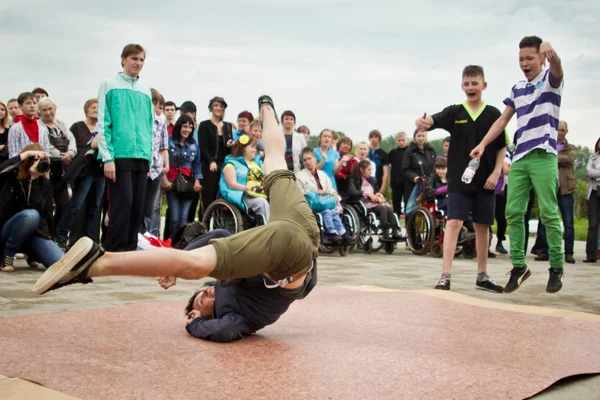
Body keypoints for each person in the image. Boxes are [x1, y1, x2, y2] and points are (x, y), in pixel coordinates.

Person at [32, 95, 321, 302]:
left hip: (303, 222)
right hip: (289, 251)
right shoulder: (281, 288)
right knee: (193, 263)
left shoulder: (307, 248)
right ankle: (97, 264)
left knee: (274, 159)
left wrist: (266, 109)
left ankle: (267, 105)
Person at [470, 36, 565, 293]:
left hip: (544, 154)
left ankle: (556, 266)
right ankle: (519, 266)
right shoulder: (516, 88)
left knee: (548, 211)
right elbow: (502, 121)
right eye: (521, 59)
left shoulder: (550, 81)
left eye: (529, 58)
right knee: (513, 212)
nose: (524, 63)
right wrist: (483, 143)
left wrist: (552, 52)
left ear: (540, 57)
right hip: (521, 155)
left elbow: (557, 68)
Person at [417, 65, 507, 292]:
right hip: (458, 179)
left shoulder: (494, 114)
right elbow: (431, 121)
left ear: (484, 85)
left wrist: (497, 173)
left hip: (485, 179)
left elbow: (501, 148)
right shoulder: (455, 112)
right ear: (461, 86)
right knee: (454, 222)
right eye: (466, 84)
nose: (470, 87)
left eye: (474, 83)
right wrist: (423, 122)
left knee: (482, 226)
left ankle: (482, 276)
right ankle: (445, 275)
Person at [154, 229, 317, 343]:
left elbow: (219, 236)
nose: (204, 294)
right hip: (290, 273)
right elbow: (222, 331)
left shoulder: (223, 282)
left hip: (281, 243)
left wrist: (176, 266)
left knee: (223, 241)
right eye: (201, 302)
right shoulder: (234, 317)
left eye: (201, 293)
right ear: (211, 318)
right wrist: (195, 324)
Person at [97, 43, 153, 252]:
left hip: (141, 156)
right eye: (133, 59)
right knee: (123, 203)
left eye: (141, 59)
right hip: (119, 155)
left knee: (137, 206)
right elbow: (104, 122)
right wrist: (107, 157)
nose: (138, 63)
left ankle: (129, 250)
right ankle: (113, 250)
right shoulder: (109, 84)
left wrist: (149, 158)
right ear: (123, 60)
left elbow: (149, 126)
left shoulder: (145, 89)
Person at [0, 145, 63, 271]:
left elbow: (45, 213)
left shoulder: (44, 183)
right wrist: (24, 155)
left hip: (32, 235)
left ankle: (32, 254)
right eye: (34, 159)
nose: (38, 163)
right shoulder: (12, 177)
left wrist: (34, 179)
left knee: (60, 262)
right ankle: (9, 254)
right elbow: (1, 169)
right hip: (7, 231)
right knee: (30, 215)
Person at [54, 99, 105, 248]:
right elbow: (71, 147)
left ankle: (92, 241)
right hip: (84, 171)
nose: (95, 109)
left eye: (98, 107)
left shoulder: (103, 128)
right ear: (86, 109)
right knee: (77, 203)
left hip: (100, 170)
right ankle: (61, 235)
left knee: (96, 207)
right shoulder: (77, 127)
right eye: (92, 107)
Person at [530, 121, 577, 264]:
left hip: (565, 189)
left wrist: (552, 156)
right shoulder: (546, 145)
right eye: (558, 130)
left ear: (566, 131)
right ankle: (543, 251)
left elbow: (569, 159)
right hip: (548, 187)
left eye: (562, 130)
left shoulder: (572, 148)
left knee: (568, 222)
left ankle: (568, 252)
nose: (560, 133)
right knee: (545, 219)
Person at [296, 147, 355, 244]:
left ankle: (342, 232)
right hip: (312, 203)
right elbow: (301, 193)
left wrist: (334, 193)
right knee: (327, 211)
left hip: (325, 201)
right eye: (305, 160)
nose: (307, 162)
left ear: (314, 159)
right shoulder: (299, 176)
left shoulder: (322, 174)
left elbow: (329, 188)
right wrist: (317, 192)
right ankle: (331, 233)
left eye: (309, 159)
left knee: (333, 211)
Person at [38, 97, 77, 232]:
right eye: (44, 110)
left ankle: (58, 233)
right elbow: (44, 145)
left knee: (64, 205)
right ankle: (48, 234)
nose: (48, 112)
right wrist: (61, 156)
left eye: (50, 109)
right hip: (48, 170)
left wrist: (70, 154)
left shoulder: (61, 124)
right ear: (40, 112)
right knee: (47, 206)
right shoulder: (39, 126)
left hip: (62, 172)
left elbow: (71, 140)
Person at [163, 115, 202, 240]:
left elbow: (196, 165)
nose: (188, 130)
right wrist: (164, 180)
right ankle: (172, 242)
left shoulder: (193, 144)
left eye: (190, 127)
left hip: (188, 185)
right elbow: (162, 161)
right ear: (179, 126)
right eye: (185, 126)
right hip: (172, 183)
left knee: (184, 219)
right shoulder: (169, 141)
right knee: (174, 218)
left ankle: (180, 245)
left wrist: (197, 181)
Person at [220, 134, 270, 222]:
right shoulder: (231, 164)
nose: (255, 150)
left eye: (256, 147)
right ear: (243, 148)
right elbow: (232, 185)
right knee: (261, 203)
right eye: (252, 147)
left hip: (260, 193)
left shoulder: (257, 163)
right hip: (243, 196)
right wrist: (249, 188)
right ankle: (269, 230)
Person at [348, 160, 402, 240]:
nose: (370, 172)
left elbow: (375, 191)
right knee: (383, 208)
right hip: (362, 205)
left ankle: (395, 231)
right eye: (369, 170)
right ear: (362, 170)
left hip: (374, 203)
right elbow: (353, 192)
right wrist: (367, 194)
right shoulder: (353, 179)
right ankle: (385, 233)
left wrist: (378, 194)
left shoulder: (372, 180)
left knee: (388, 208)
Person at [140, 89, 169, 236]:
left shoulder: (162, 120)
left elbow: (164, 146)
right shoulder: (142, 118)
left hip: (156, 169)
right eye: (154, 103)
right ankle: (135, 236)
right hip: (142, 167)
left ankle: (144, 237)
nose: (157, 108)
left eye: (160, 105)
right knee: (137, 205)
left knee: (149, 208)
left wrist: (166, 164)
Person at [198, 96, 233, 213]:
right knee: (208, 199)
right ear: (211, 108)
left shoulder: (228, 126)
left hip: (224, 165)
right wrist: (211, 161)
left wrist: (230, 145)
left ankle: (220, 228)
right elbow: (203, 148)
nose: (219, 108)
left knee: (223, 198)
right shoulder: (204, 125)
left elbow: (229, 150)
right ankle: (205, 227)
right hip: (209, 165)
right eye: (216, 105)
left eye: (221, 106)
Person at [8, 92, 50, 157]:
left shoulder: (42, 129)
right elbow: (13, 155)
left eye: (34, 103)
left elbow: (47, 152)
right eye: (28, 103)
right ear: (20, 106)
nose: (32, 106)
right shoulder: (16, 128)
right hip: (22, 165)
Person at [401, 129, 436, 204]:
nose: (421, 138)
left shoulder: (431, 150)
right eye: (419, 136)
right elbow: (405, 170)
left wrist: (431, 178)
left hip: (429, 185)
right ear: (414, 137)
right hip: (414, 186)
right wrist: (415, 178)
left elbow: (434, 167)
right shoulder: (409, 151)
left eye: (423, 136)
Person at [583, 138, 600, 263]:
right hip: (594, 192)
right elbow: (589, 172)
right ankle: (591, 255)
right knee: (593, 224)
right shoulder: (593, 157)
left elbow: (594, 173)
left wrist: (597, 173)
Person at [388, 132, 409, 217]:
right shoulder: (393, 153)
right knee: (396, 205)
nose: (401, 142)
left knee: (408, 204)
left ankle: (409, 222)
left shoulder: (410, 151)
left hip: (408, 182)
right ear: (396, 141)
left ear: (407, 140)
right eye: (399, 140)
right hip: (396, 182)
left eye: (403, 140)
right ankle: (396, 224)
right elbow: (387, 165)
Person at [368, 130, 390, 194]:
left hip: (377, 182)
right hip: (365, 182)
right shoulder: (366, 152)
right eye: (371, 137)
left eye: (375, 137)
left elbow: (385, 173)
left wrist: (382, 188)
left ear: (379, 139)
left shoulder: (384, 154)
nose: (373, 139)